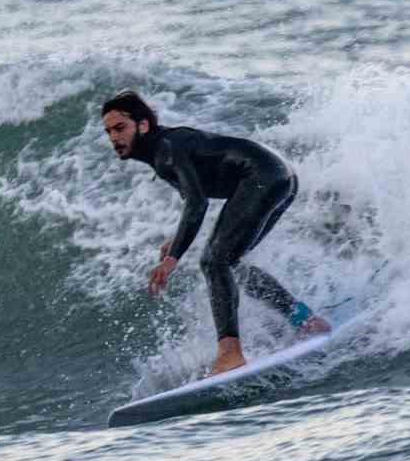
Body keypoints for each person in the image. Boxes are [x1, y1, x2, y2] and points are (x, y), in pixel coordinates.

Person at [101, 90, 329, 374]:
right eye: (109, 131)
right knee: (229, 263)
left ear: (143, 125)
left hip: (262, 178)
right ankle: (307, 321)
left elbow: (198, 202)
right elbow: (193, 197)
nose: (113, 138)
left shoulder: (166, 150)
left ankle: (230, 354)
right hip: (280, 178)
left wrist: (172, 259)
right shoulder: (166, 149)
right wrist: (177, 241)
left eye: (120, 128)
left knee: (214, 261)